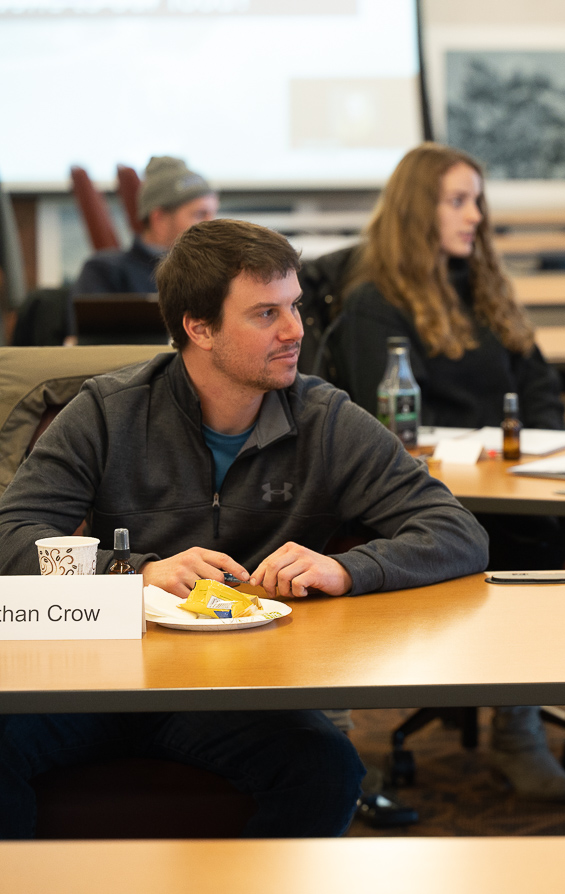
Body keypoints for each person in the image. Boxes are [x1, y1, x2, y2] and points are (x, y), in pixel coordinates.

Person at [0, 218, 490, 838]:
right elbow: (11, 533)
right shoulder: (107, 410)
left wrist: (345, 568)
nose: (295, 331)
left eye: (294, 307)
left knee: (325, 771)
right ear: (198, 328)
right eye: (265, 314)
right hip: (106, 675)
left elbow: (456, 530)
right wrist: (136, 571)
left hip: (235, 691)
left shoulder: (324, 419)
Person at [331, 142, 565, 803]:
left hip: (519, 471)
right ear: (415, 211)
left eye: (477, 200)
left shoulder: (483, 287)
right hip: (437, 492)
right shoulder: (376, 303)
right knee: (534, 539)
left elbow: (538, 381)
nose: (475, 215)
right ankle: (519, 724)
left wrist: (544, 443)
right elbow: (382, 426)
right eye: (457, 201)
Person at [72, 156, 218, 295]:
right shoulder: (105, 273)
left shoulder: (214, 275)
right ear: (159, 219)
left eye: (213, 214)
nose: (211, 224)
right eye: (200, 214)